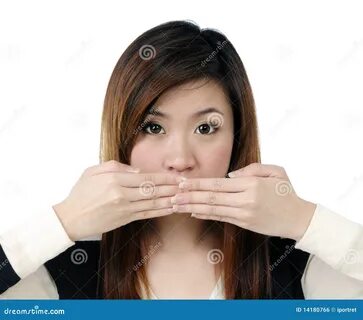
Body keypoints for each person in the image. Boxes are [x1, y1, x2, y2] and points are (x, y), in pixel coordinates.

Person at [1, 20, 362, 299]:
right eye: (153, 128)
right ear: (120, 132)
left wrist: (304, 219)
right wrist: (63, 221)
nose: (180, 159)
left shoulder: (297, 265)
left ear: (238, 136)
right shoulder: (61, 267)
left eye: (206, 128)